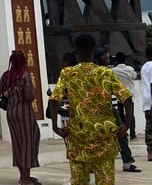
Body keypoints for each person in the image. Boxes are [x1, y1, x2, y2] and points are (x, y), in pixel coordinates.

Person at [50, 35, 133, 185]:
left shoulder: (67, 73)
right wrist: (126, 124)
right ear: (94, 50)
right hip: (104, 138)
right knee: (105, 181)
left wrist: (55, 126)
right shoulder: (105, 73)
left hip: (78, 138)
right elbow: (127, 99)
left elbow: (55, 100)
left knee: (78, 181)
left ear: (76, 51)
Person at [0, 51, 41, 185]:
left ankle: (24, 175)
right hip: (24, 113)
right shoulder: (24, 75)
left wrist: (10, 94)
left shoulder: (6, 75)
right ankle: (25, 179)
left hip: (11, 112)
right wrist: (34, 91)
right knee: (28, 142)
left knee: (18, 143)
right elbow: (28, 96)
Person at [96, 49, 141, 173]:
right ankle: (125, 162)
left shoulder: (110, 71)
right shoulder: (106, 73)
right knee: (115, 135)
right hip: (104, 109)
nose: (108, 58)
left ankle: (127, 162)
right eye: (106, 56)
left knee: (121, 135)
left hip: (111, 108)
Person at [111, 52, 138, 140]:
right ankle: (133, 134)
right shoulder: (130, 69)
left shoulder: (113, 70)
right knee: (130, 115)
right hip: (130, 95)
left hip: (119, 95)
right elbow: (134, 76)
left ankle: (124, 132)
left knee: (121, 115)